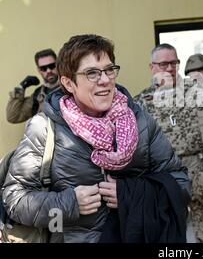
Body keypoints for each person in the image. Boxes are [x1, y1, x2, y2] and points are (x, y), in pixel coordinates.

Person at [2, 35, 190, 243]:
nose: (105, 80)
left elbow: (180, 183)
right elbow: (14, 198)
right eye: (91, 73)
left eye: (109, 70)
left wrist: (130, 195)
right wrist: (69, 203)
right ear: (68, 83)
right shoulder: (44, 128)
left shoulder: (141, 122)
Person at [134, 44, 203, 243]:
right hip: (164, 176)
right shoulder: (142, 102)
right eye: (163, 64)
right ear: (152, 67)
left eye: (174, 62)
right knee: (168, 235)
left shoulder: (197, 91)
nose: (169, 68)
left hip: (201, 170)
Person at [6, 48, 60, 123]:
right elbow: (13, 117)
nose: (48, 71)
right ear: (39, 70)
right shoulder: (38, 95)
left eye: (52, 66)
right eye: (43, 68)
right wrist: (22, 87)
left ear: (58, 65)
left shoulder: (70, 86)